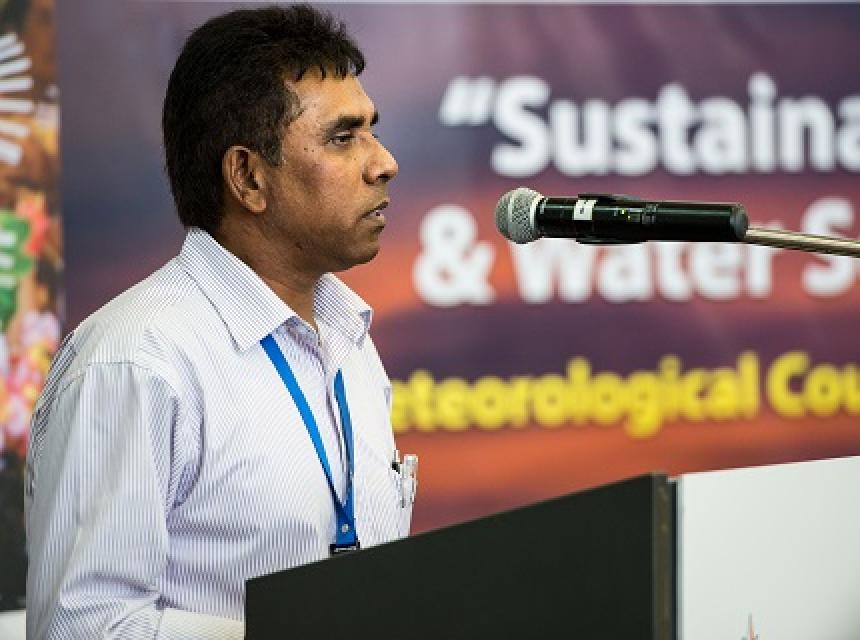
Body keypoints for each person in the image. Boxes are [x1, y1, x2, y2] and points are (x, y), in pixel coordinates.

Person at [25, 5, 412, 638]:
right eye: (344, 137)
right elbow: (81, 628)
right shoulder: (135, 360)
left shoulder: (349, 341)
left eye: (372, 129)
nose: (383, 162)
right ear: (248, 177)